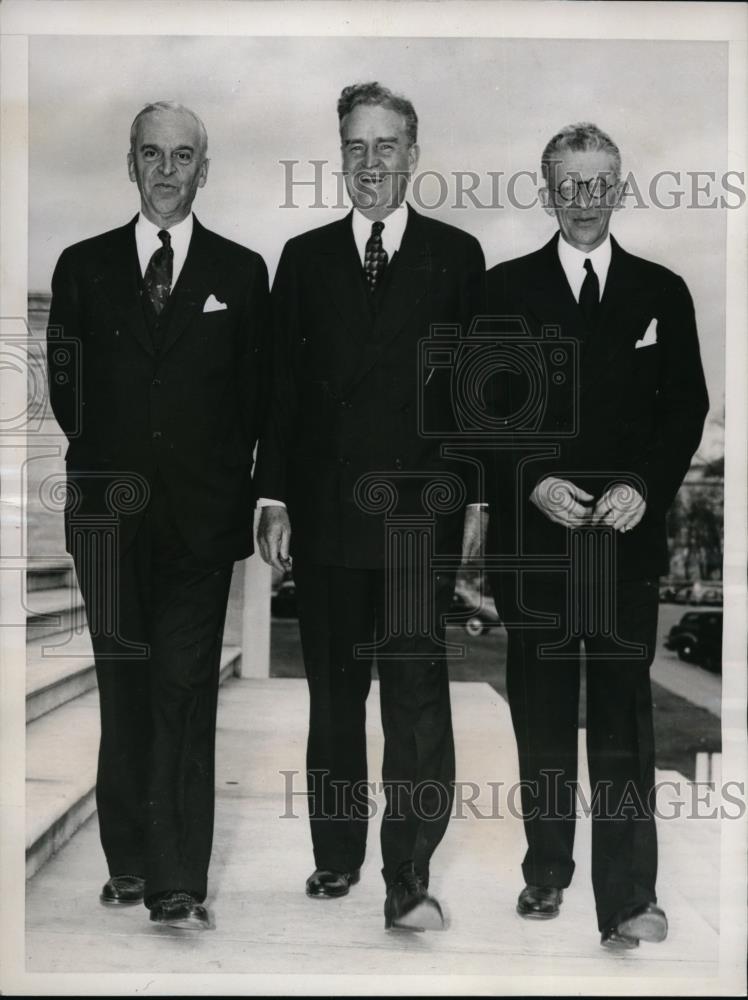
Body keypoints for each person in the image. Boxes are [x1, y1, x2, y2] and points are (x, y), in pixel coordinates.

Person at [255, 82, 485, 931]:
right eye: (356, 146)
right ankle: (336, 852)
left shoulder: (457, 256)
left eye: (386, 146)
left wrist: (476, 498)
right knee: (335, 693)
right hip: (325, 513)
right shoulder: (303, 258)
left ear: (413, 155)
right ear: (341, 155)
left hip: (422, 514)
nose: (370, 162)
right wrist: (274, 494)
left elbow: (480, 392)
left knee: (416, 694)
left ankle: (409, 876)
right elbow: (280, 390)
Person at [46, 101, 270, 930]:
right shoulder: (83, 266)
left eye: (182, 156)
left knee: (184, 688)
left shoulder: (241, 272)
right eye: (152, 154)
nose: (167, 171)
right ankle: (130, 860)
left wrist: (218, 480)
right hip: (107, 520)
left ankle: (177, 878)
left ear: (203, 169)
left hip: (201, 523)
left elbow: (256, 397)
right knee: (124, 684)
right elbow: (66, 391)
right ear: (130, 164)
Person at [485, 123, 708, 948]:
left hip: (624, 541)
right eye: (568, 184)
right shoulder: (503, 289)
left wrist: (640, 487)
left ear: (619, 187)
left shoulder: (663, 291)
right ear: (547, 191)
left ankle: (630, 898)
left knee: (623, 716)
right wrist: (532, 481)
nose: (584, 199)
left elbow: (684, 408)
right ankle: (546, 870)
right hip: (534, 540)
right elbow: (479, 411)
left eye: (598, 183)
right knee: (542, 714)